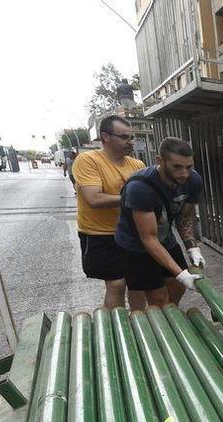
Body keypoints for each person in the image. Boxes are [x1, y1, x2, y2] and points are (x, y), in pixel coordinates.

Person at [114, 137, 205, 307]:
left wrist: (192, 247)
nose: (184, 173)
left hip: (164, 238)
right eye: (177, 167)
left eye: (188, 167)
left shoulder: (193, 181)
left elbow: (184, 217)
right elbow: (148, 239)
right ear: (160, 161)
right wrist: (181, 273)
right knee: (158, 297)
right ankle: (157, 324)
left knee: (178, 287)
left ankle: (167, 319)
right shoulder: (140, 187)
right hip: (135, 247)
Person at [72, 115, 147, 309]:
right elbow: (94, 198)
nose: (130, 142)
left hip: (131, 234)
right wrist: (133, 199)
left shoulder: (137, 165)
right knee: (116, 284)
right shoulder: (88, 160)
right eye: (124, 137)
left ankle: (141, 326)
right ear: (105, 136)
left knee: (137, 284)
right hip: (100, 234)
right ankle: (117, 327)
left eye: (132, 137)